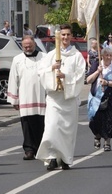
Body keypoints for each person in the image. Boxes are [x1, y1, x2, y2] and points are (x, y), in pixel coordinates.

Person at [36, 24, 86, 170]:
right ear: (59, 37)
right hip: (54, 99)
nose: (65, 37)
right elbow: (41, 71)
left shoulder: (76, 56)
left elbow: (80, 75)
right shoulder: (51, 55)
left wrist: (66, 76)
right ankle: (51, 158)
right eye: (62, 35)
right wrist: (52, 69)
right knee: (51, 129)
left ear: (71, 36)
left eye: (67, 35)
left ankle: (65, 158)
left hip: (68, 99)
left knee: (66, 131)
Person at [7, 35, 46, 160]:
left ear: (34, 44)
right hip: (25, 97)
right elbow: (13, 79)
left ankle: (41, 148)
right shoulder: (17, 59)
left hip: (41, 96)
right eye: (25, 46)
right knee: (27, 124)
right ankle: (29, 149)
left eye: (30, 46)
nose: (28, 48)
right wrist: (14, 99)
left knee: (41, 123)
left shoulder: (44, 58)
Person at [86, 47, 112, 151]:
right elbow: (88, 80)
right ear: (102, 56)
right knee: (94, 120)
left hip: (109, 97)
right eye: (106, 55)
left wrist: (107, 83)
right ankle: (97, 136)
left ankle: (107, 142)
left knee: (109, 120)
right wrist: (97, 72)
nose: (108, 57)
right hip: (96, 98)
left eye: (110, 55)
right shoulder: (96, 65)